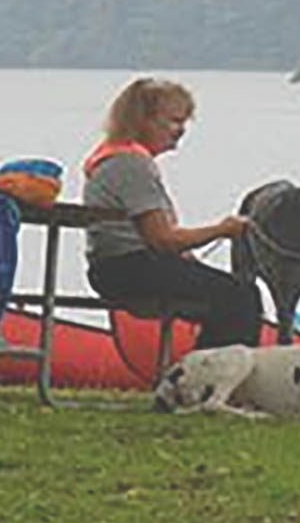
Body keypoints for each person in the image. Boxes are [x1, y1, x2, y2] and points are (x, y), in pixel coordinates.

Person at [82, 77, 262, 350]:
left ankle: (207, 364)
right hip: (130, 268)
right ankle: (211, 370)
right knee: (240, 297)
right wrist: (223, 229)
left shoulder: (116, 159)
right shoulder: (130, 164)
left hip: (118, 266)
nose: (181, 130)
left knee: (232, 293)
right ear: (144, 120)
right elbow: (162, 239)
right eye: (174, 121)